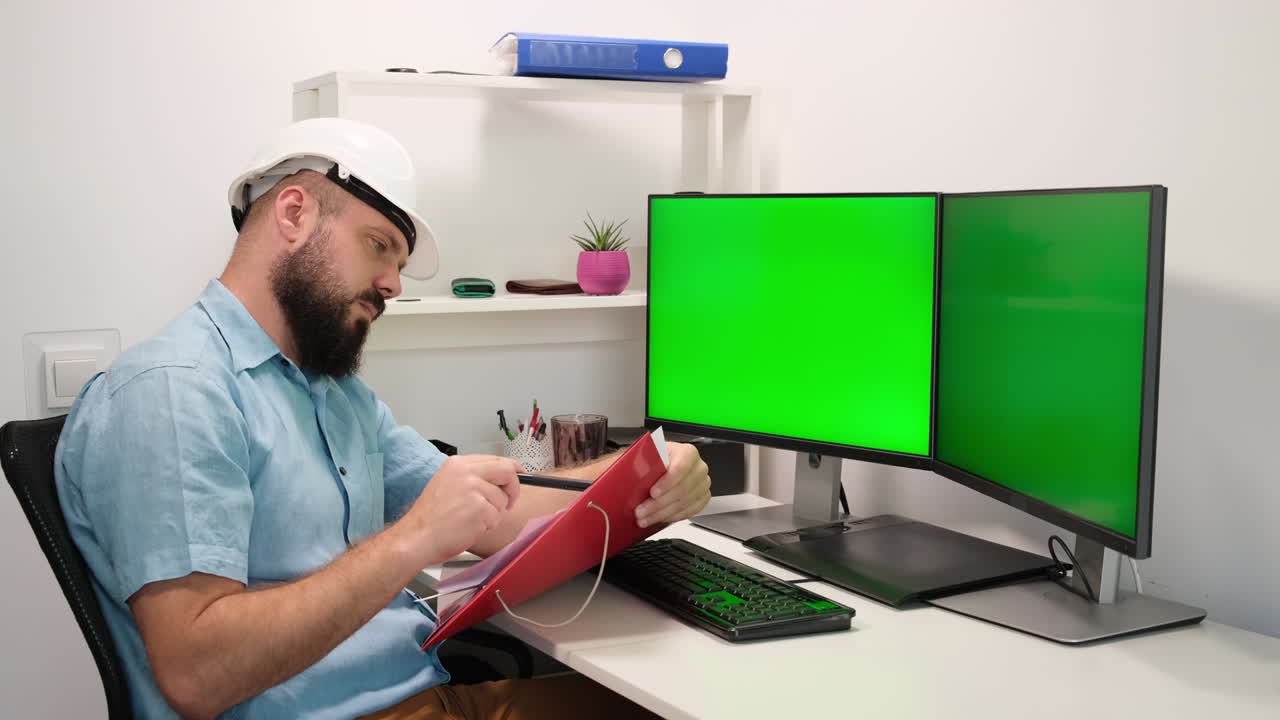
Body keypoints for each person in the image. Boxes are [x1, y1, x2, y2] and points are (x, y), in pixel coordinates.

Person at [54, 118, 711, 720]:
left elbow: (501, 514)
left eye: (399, 262)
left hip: (425, 696)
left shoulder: (332, 394)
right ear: (293, 213)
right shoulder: (175, 391)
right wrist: (411, 540)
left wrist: (651, 470)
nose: (394, 283)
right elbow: (197, 676)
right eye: (379, 246)